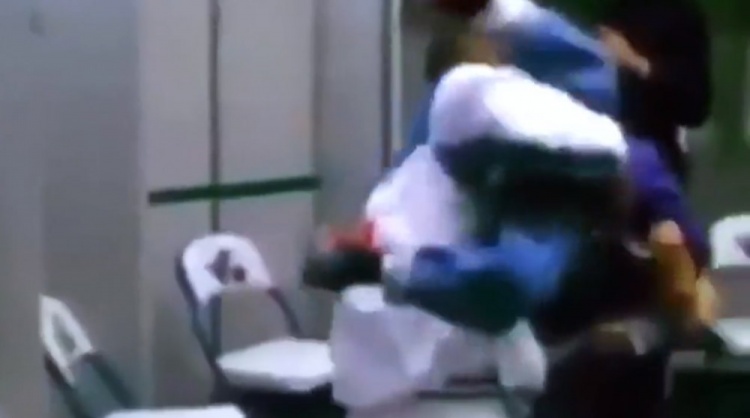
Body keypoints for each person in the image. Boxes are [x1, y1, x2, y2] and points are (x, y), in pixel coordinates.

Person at [600, 0, 711, 185]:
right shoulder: (618, 11)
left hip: (655, 158)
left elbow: (695, 106)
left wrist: (636, 63)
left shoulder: (682, 17)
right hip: (602, 158)